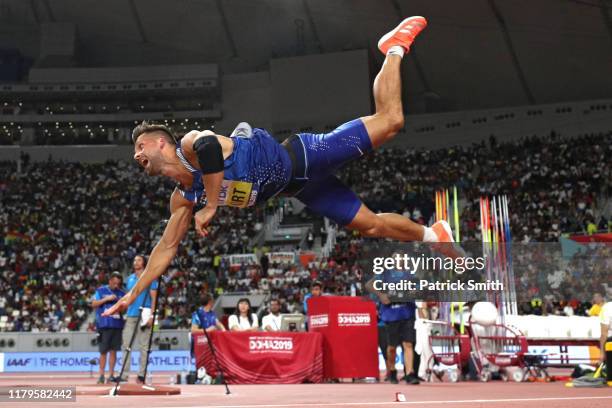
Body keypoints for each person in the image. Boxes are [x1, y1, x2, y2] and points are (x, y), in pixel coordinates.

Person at [104, 16, 457, 317]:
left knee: (391, 121)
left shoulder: (188, 146)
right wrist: (131, 296)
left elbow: (211, 147)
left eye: (140, 145)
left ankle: (394, 48)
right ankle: (433, 235)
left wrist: (211, 205)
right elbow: (165, 249)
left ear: (160, 142)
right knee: (372, 226)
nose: (136, 154)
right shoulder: (183, 198)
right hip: (300, 187)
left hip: (304, 156)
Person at [121, 255, 158, 384]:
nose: (135, 262)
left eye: (138, 260)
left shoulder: (150, 277)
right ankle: (124, 375)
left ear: (144, 263)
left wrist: (153, 316)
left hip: (145, 315)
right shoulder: (129, 279)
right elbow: (128, 296)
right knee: (126, 345)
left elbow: (154, 298)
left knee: (144, 346)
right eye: (134, 260)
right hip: (131, 315)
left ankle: (142, 374)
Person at [91, 271, 125, 384]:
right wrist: (107, 299)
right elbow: (94, 304)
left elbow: (124, 309)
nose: (116, 286)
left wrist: (120, 306)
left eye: (118, 284)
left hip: (117, 325)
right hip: (104, 325)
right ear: (110, 281)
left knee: (114, 351)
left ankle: (111, 375)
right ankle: (101, 375)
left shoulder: (121, 293)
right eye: (114, 283)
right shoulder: (101, 290)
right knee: (103, 351)